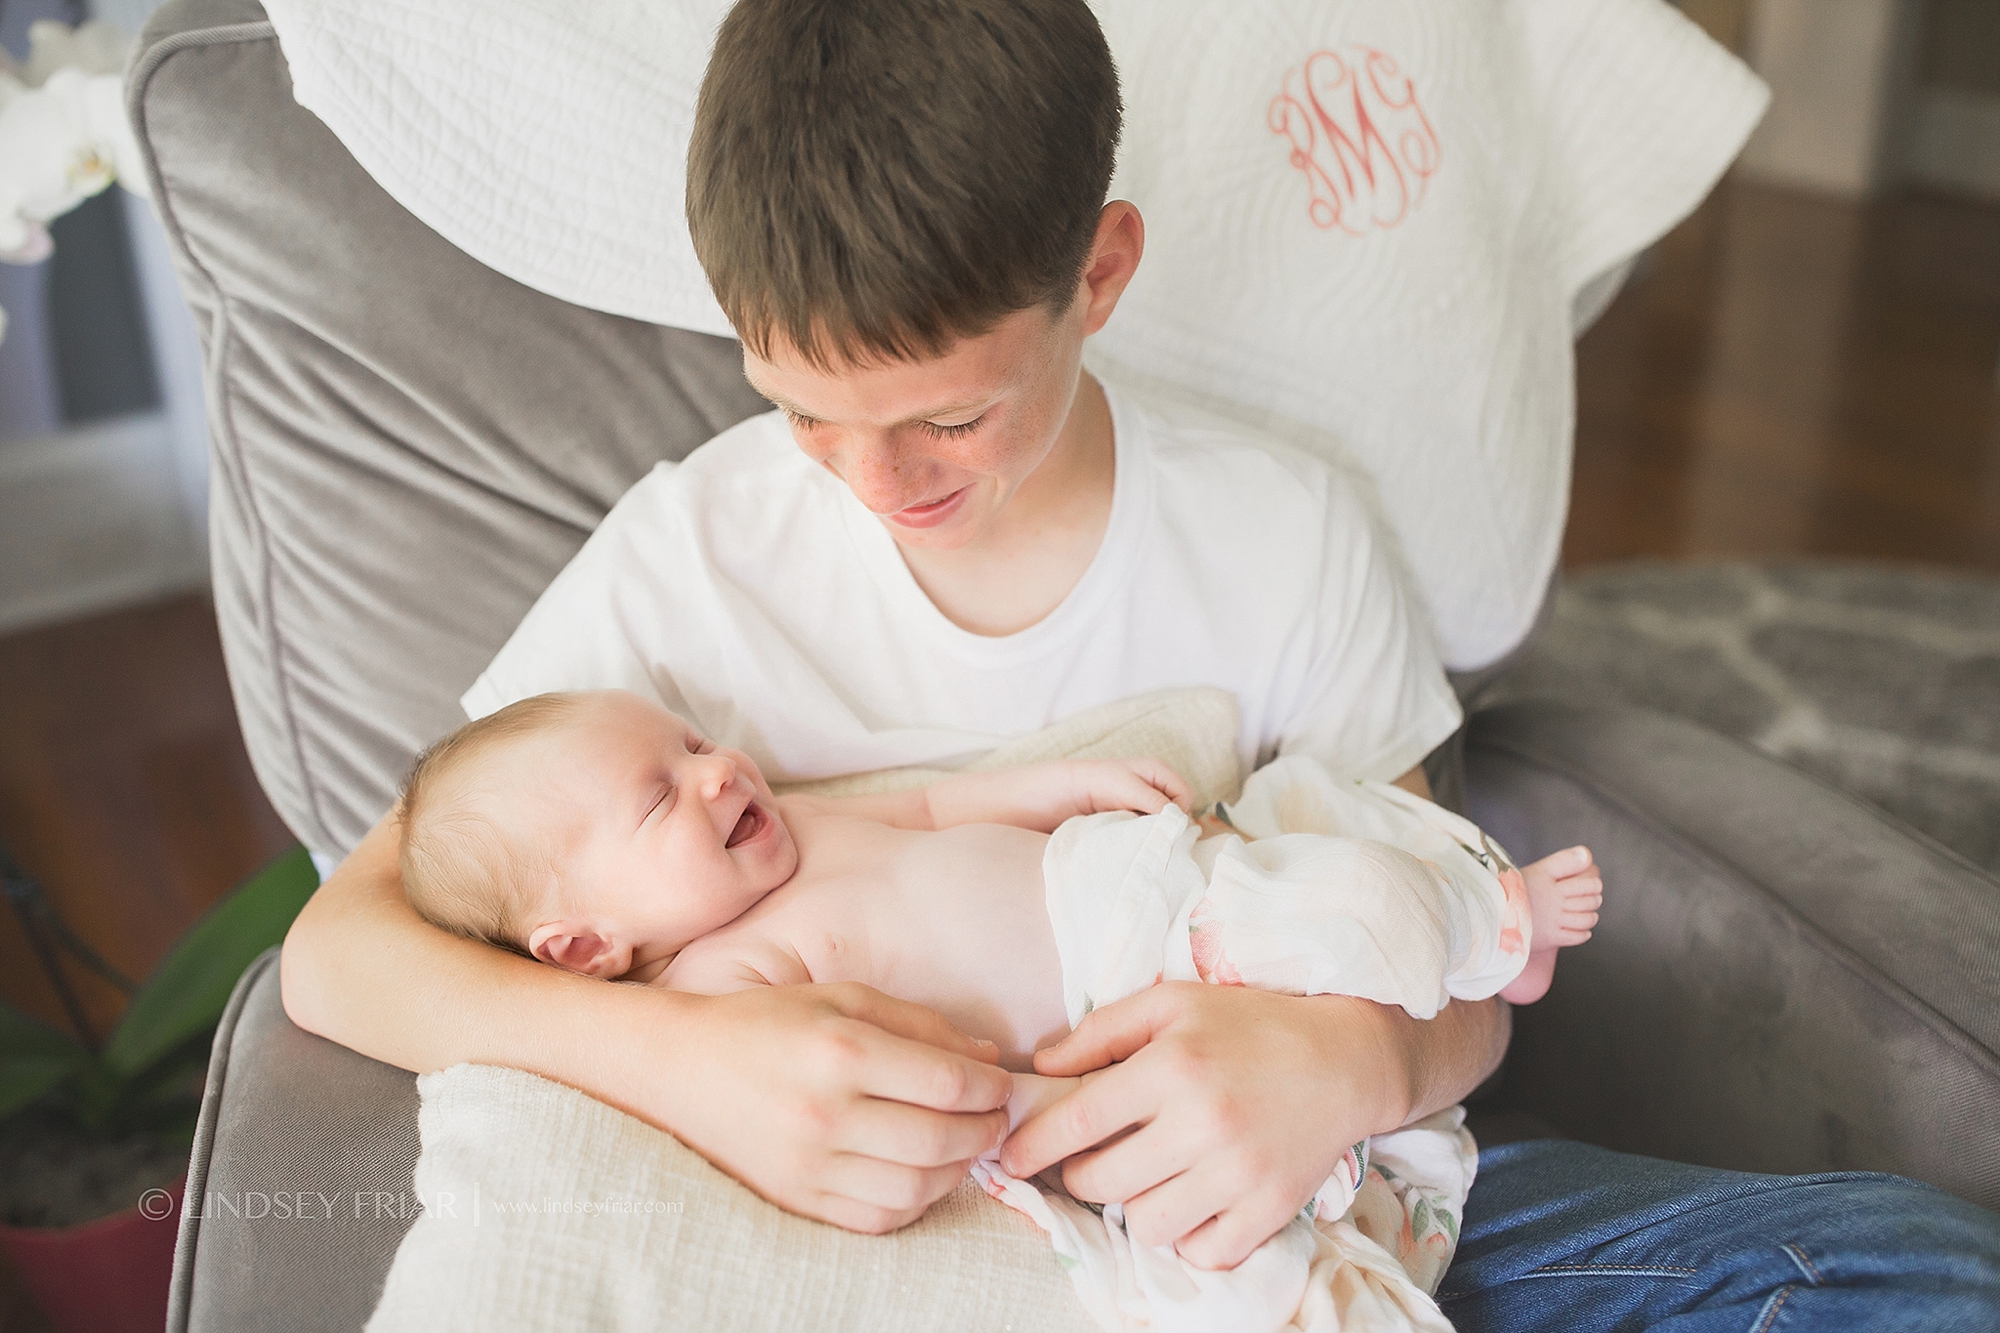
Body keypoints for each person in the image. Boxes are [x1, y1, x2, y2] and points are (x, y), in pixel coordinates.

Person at [281, 1, 2000, 1327]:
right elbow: (345, 947)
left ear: (1099, 273)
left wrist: (1352, 1063)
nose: (883, 484)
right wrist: (693, 1061)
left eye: (948, 412)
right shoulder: (689, 561)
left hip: (1316, 1193)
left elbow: (1447, 920)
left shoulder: (1284, 535)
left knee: (1920, 1268)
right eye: (804, 411)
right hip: (942, 1252)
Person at [391, 687, 1600, 1330]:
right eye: (659, 798)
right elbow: (888, 1065)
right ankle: (1482, 935)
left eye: (696, 742)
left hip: (1136, 887)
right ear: (587, 945)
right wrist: (1049, 1103)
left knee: (1331, 846)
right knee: (1233, 1262)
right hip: (1117, 1009)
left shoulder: (790, 827)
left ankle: (1489, 921)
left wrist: (1062, 784)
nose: (716, 772)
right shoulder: (716, 990)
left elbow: (929, 808)